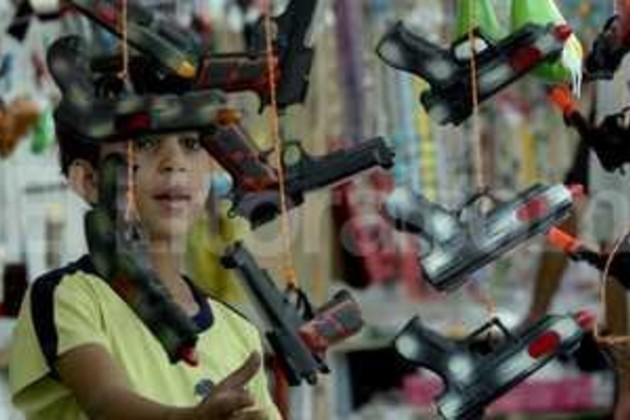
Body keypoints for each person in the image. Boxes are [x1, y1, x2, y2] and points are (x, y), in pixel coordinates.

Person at [7, 47, 281, 420]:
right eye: (145, 144)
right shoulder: (70, 297)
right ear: (88, 181)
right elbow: (105, 402)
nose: (175, 163)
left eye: (191, 145)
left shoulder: (239, 333)